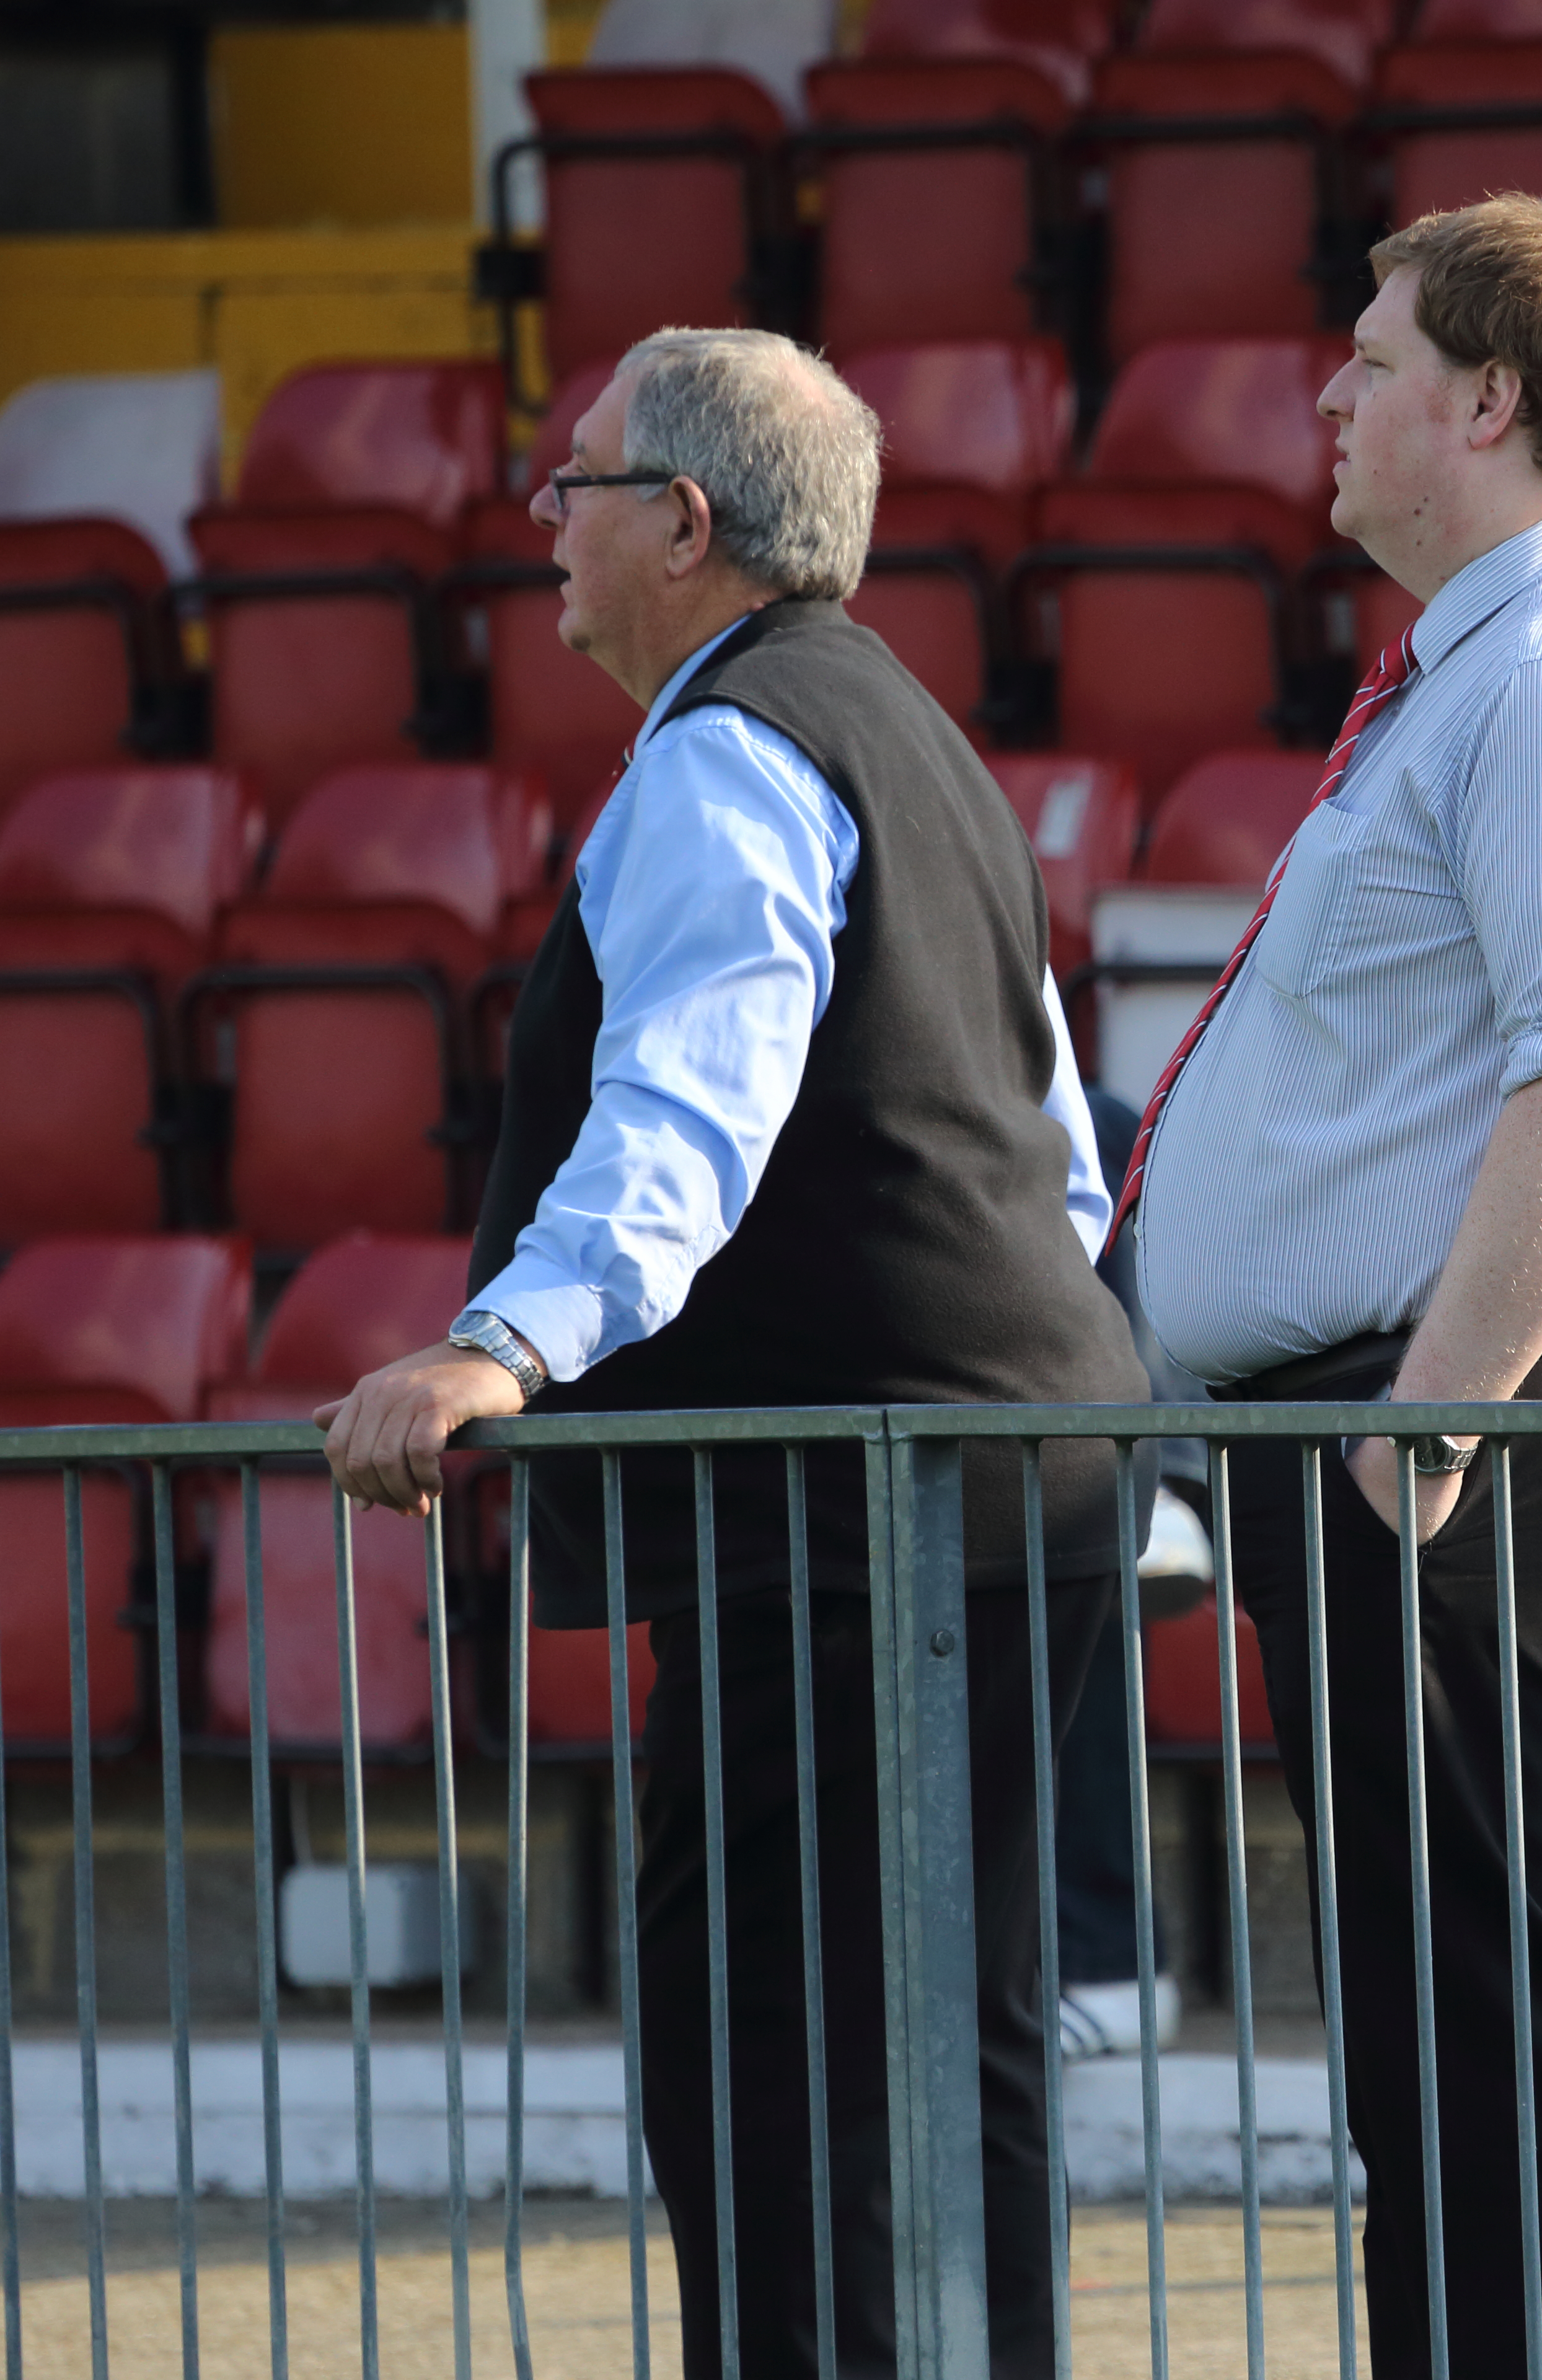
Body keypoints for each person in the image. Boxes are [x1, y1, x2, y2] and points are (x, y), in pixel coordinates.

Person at [315, 325, 1149, 2380]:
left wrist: (505, 1340)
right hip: (1025, 1461)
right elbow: (1058, 1155)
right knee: (956, 2031)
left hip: (843, 1514)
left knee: (776, 2048)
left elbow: (689, 1108)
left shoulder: (727, 753)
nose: (549, 532)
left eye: (577, 487)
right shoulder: (917, 735)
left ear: (683, 522)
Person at [1121, 195, 1542, 2380]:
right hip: (1417, 1432)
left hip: (1452, 1436)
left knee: (1487, 2008)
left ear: (1491, 399)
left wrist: (1429, 1423)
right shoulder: (1504, 652)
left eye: (1377, 357)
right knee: (1443, 2021)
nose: (1334, 389)